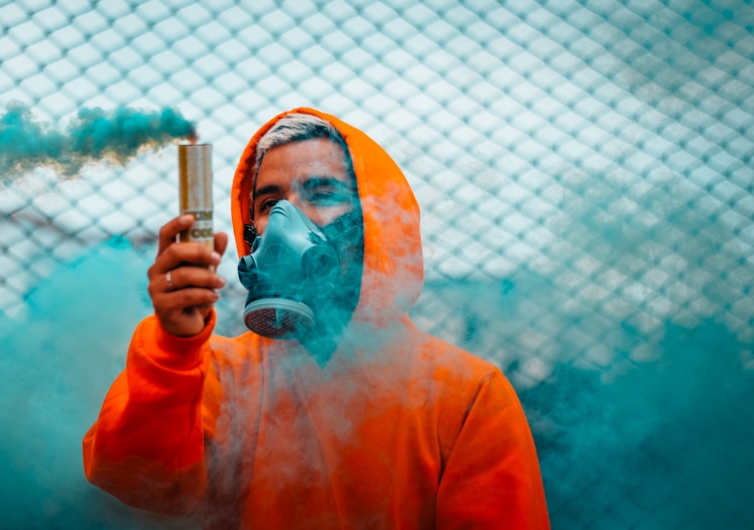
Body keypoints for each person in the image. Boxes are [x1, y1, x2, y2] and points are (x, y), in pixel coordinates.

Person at [83, 108, 550, 529]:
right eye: (267, 204)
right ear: (250, 233)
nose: (288, 218)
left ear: (373, 221)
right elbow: (135, 488)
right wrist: (173, 348)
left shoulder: (465, 395)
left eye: (321, 192)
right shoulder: (213, 375)